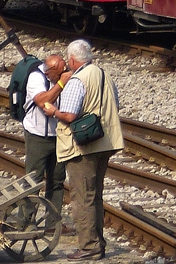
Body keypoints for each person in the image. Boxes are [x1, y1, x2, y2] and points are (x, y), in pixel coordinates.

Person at [41, 40, 122, 260]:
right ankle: (99, 243)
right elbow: (114, 102)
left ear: (74, 60)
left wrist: (54, 112)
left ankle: (89, 247)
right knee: (95, 195)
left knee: (82, 198)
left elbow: (69, 115)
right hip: (105, 143)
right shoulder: (104, 74)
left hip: (83, 147)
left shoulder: (77, 80)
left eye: (69, 59)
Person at [24, 54, 68, 222]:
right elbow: (44, 102)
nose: (62, 74)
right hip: (37, 135)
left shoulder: (63, 76)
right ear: (50, 71)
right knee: (33, 179)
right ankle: (26, 220)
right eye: (59, 73)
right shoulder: (36, 77)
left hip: (59, 135)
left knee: (57, 179)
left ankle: (52, 222)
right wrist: (61, 83)